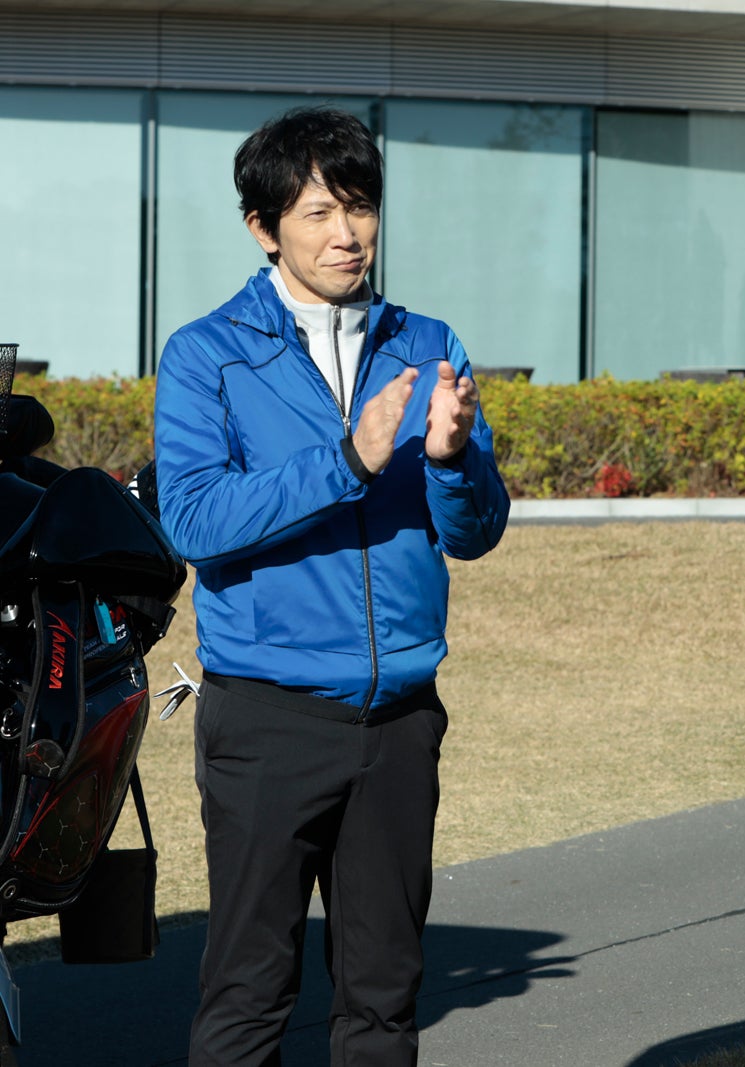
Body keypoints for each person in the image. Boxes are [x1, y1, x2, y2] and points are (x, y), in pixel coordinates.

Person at [153, 106, 509, 1066]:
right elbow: (194, 521)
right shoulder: (207, 352)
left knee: (384, 1001)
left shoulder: (427, 340)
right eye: (317, 212)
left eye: (360, 207)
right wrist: (347, 461)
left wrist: (452, 459)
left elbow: (475, 533)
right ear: (264, 228)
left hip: (400, 721)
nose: (346, 233)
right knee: (247, 997)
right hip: (266, 717)